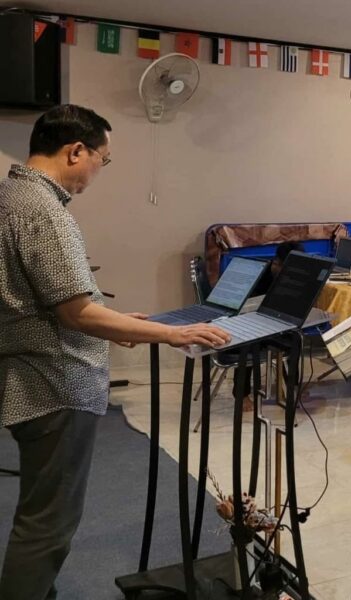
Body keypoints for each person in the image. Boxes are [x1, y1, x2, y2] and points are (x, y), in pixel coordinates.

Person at [0, 105, 230, 599]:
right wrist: (169, 334)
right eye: (102, 160)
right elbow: (77, 313)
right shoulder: (43, 210)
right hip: (53, 385)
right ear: (75, 151)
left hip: (32, 377)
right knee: (47, 524)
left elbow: (53, 300)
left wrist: (124, 324)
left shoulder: (12, 195)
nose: (98, 171)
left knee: (42, 512)